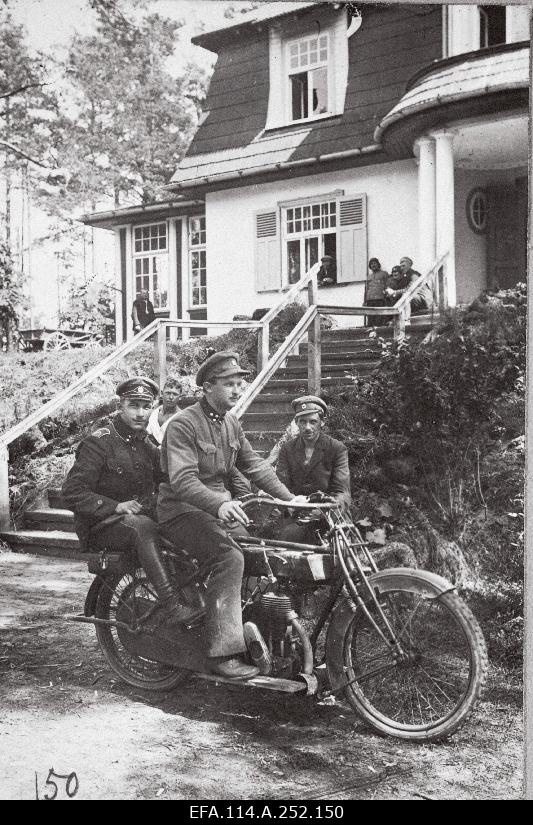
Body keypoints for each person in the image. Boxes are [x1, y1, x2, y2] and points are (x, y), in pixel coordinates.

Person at [157, 350, 305, 680]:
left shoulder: (230, 423)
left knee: (259, 557)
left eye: (240, 383)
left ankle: (257, 639)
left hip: (215, 512)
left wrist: (292, 499)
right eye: (229, 384)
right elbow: (182, 480)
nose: (237, 390)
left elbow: (254, 466)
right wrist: (219, 504)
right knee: (229, 559)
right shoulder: (183, 424)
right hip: (181, 511)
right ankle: (222, 652)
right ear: (207, 387)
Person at [62, 377, 199, 627]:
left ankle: (195, 596)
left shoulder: (144, 443)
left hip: (136, 519)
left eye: (146, 407)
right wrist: (115, 506)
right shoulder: (99, 442)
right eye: (133, 406)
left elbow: (168, 477)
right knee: (142, 526)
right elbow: (72, 492)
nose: (140, 413)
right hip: (102, 527)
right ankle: (172, 605)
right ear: (120, 406)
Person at [275, 396, 351, 544]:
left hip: (332, 515)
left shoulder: (336, 449)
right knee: (286, 548)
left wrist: (322, 512)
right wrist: (289, 505)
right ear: (296, 422)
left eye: (313, 421)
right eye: (302, 421)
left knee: (338, 554)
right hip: (298, 514)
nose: (307, 427)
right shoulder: (287, 449)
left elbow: (343, 493)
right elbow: (281, 485)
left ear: (322, 422)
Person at [146, 376, 183, 445]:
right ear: (162, 393)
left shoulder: (182, 418)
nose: (171, 397)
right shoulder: (154, 413)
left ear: (180, 397)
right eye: (168, 393)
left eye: (175, 394)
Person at [364, 258, 389, 326]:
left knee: (379, 317)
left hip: (380, 299)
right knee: (370, 318)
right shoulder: (369, 277)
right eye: (371, 264)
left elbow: (388, 286)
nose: (373, 265)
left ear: (378, 264)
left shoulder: (384, 274)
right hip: (370, 300)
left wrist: (387, 297)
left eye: (375, 263)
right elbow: (366, 289)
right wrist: (365, 301)